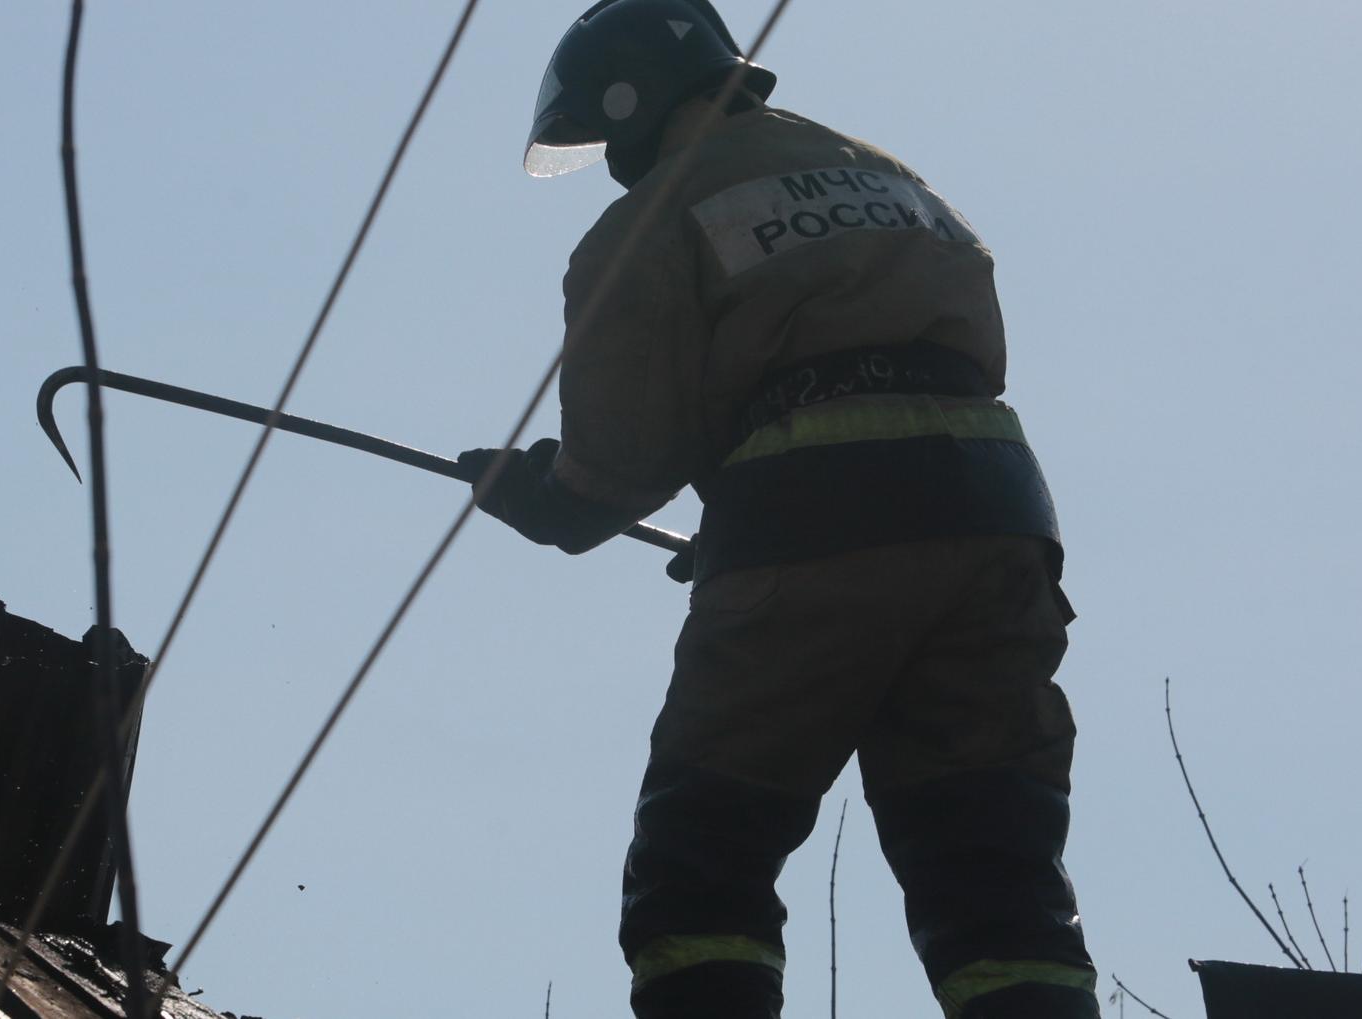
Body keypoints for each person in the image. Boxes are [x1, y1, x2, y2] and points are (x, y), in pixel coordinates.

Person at [456, 2, 1098, 1016]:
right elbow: (909, 356)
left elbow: (613, 467)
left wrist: (539, 493)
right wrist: (750, 505)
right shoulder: (884, 173)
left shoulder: (650, 217)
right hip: (996, 521)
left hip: (809, 538)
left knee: (703, 851)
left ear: (634, 101)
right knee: (991, 860)